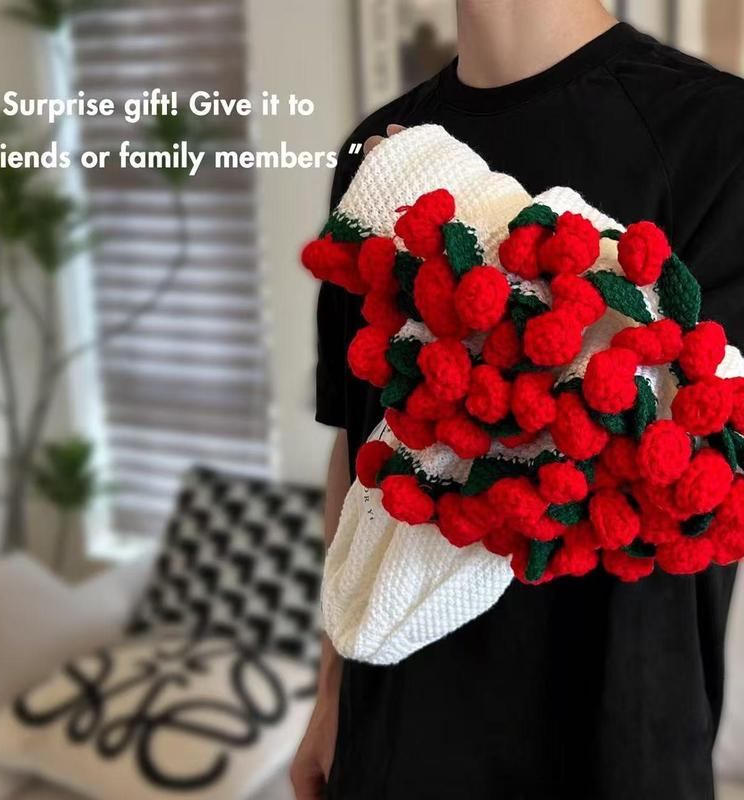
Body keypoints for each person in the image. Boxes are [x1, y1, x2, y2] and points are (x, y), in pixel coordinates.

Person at [291, 1, 744, 797]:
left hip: (608, 742)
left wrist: (451, 197)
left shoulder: (720, 137)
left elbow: (691, 464)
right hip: (393, 734)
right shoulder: (378, 150)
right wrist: (333, 693)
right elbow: (359, 438)